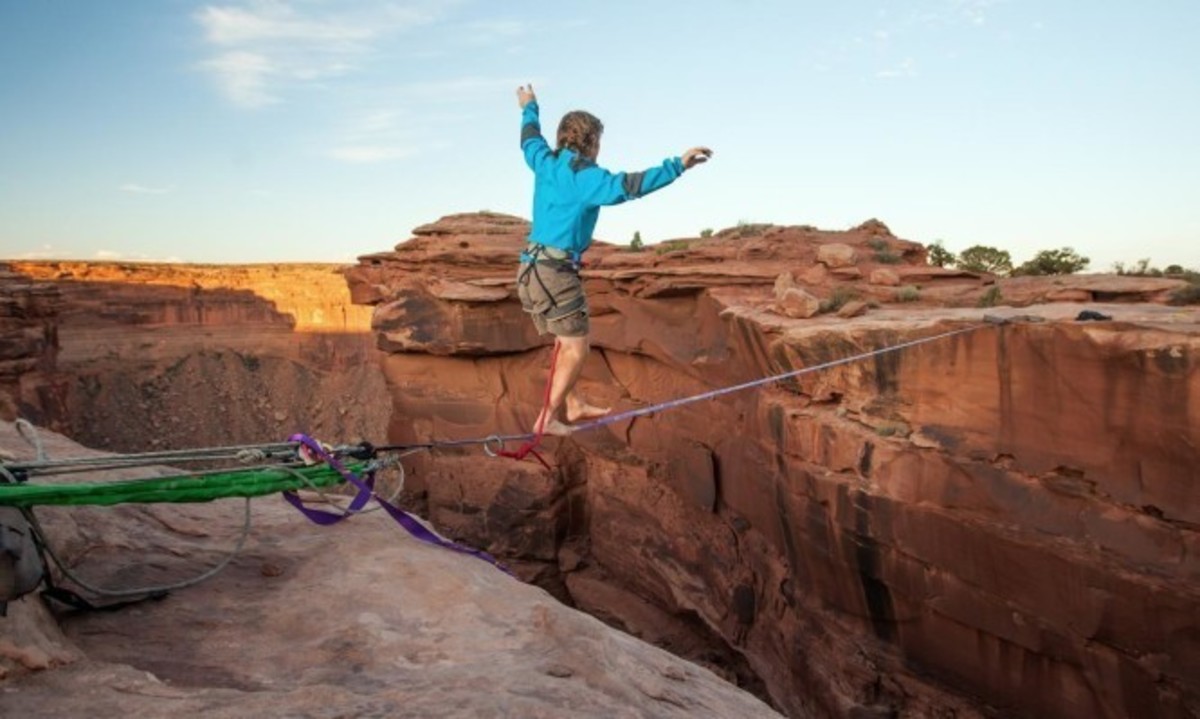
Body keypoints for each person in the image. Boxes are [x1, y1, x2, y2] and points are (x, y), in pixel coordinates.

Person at [515, 83, 711, 436]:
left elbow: (529, 138)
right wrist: (677, 166)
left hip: (529, 271)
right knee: (577, 348)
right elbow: (630, 186)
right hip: (554, 273)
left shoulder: (544, 161)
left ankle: (572, 404)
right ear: (590, 143)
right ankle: (546, 417)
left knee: (564, 341)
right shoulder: (585, 176)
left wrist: (529, 106)